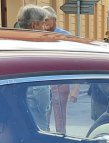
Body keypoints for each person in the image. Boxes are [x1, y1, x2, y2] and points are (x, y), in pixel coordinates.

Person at [15, 5, 77, 133]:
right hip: (36, 101)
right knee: (42, 132)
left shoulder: (13, 41)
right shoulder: (35, 47)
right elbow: (40, 92)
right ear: (34, 25)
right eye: (43, 23)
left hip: (18, 106)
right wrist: (45, 104)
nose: (45, 27)